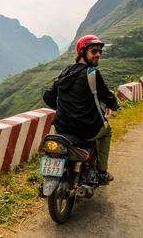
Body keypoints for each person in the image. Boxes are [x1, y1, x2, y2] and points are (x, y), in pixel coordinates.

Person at [43, 34, 119, 185]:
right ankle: (102, 171)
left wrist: (63, 108)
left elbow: (48, 96)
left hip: (61, 127)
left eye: (99, 52)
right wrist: (114, 105)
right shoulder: (92, 74)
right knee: (107, 131)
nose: (98, 54)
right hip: (86, 130)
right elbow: (107, 97)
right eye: (93, 51)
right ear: (82, 52)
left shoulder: (65, 72)